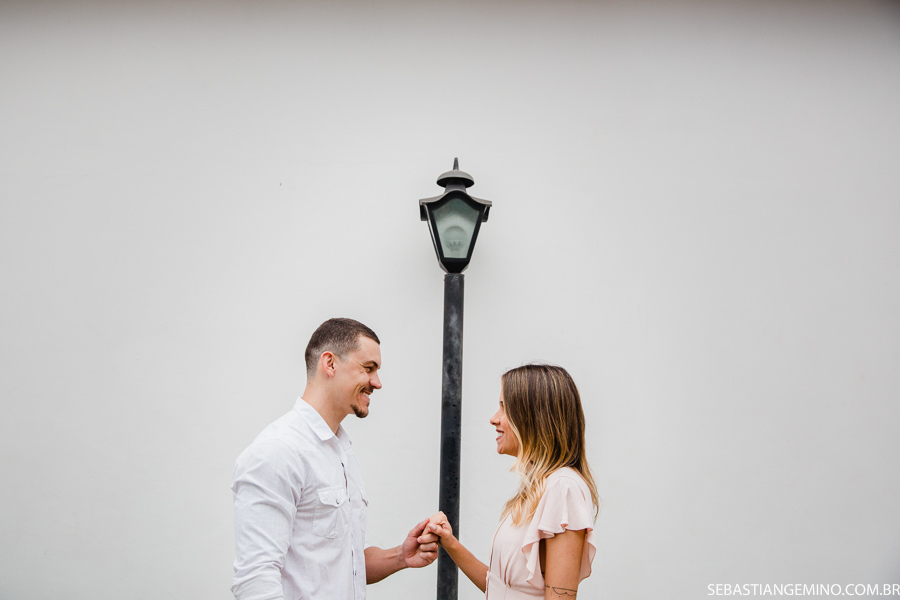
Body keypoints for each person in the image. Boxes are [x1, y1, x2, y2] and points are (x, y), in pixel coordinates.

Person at [231, 317, 439, 600]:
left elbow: (346, 563)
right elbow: (255, 581)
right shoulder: (278, 451)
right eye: (369, 368)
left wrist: (400, 556)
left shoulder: (342, 452)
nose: (377, 383)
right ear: (330, 364)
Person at [423, 364, 600, 599]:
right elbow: (502, 589)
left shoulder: (563, 488)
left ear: (533, 417)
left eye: (504, 408)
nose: (493, 419)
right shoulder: (539, 488)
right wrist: (450, 543)